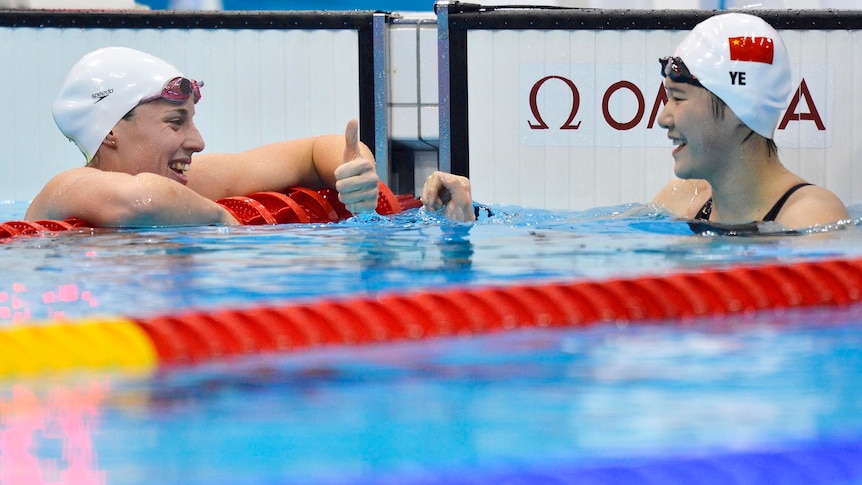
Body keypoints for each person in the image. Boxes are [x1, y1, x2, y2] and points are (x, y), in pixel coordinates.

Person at [422, 12, 850, 230]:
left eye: (677, 98)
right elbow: (582, 231)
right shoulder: (686, 197)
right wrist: (474, 214)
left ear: (740, 110)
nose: (663, 118)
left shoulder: (810, 218)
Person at [25, 46, 380, 227]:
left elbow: (312, 150)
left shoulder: (183, 186)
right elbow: (141, 200)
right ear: (112, 131)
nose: (198, 141)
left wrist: (355, 168)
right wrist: (226, 221)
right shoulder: (68, 188)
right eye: (175, 122)